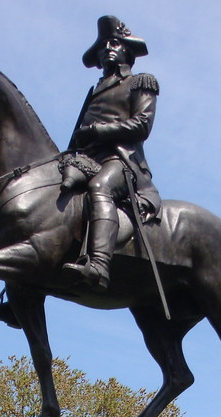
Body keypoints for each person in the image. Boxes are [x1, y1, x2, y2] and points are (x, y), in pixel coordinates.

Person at [61, 16, 161, 291]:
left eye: (114, 43)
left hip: (122, 161)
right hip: (87, 158)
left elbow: (142, 125)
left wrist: (98, 131)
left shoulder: (140, 82)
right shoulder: (94, 91)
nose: (107, 49)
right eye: (103, 45)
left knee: (99, 187)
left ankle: (99, 266)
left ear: (127, 49)